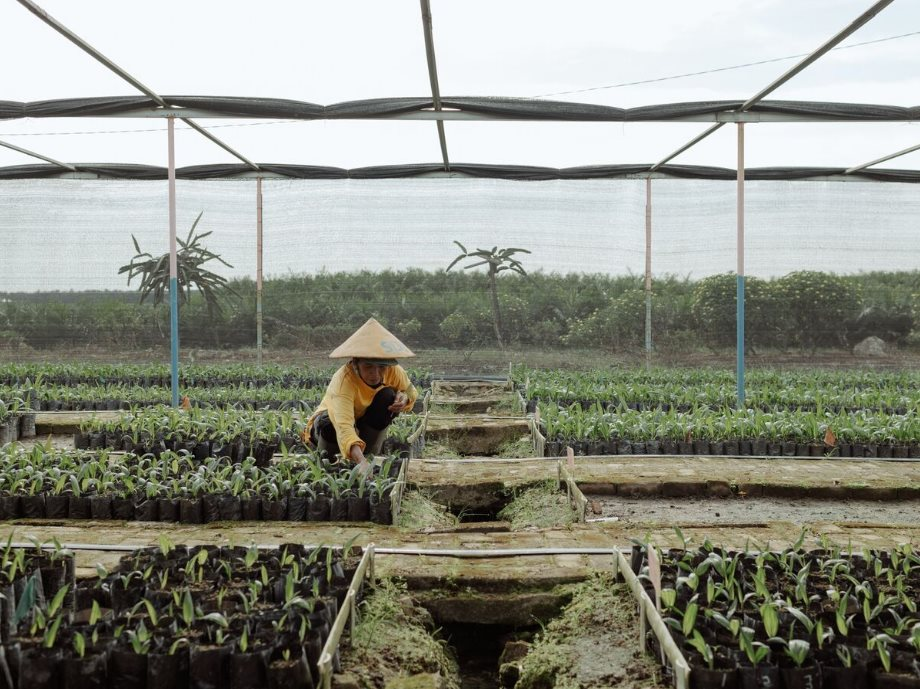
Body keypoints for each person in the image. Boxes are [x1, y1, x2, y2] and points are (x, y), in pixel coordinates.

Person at [305, 318, 418, 476]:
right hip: (330, 428)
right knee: (328, 423)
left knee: (387, 396)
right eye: (368, 367)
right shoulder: (344, 381)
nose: (375, 374)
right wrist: (361, 463)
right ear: (355, 363)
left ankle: (368, 453)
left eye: (381, 367)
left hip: (361, 423)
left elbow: (411, 390)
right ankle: (327, 462)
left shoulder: (393, 371)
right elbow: (343, 426)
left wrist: (405, 398)